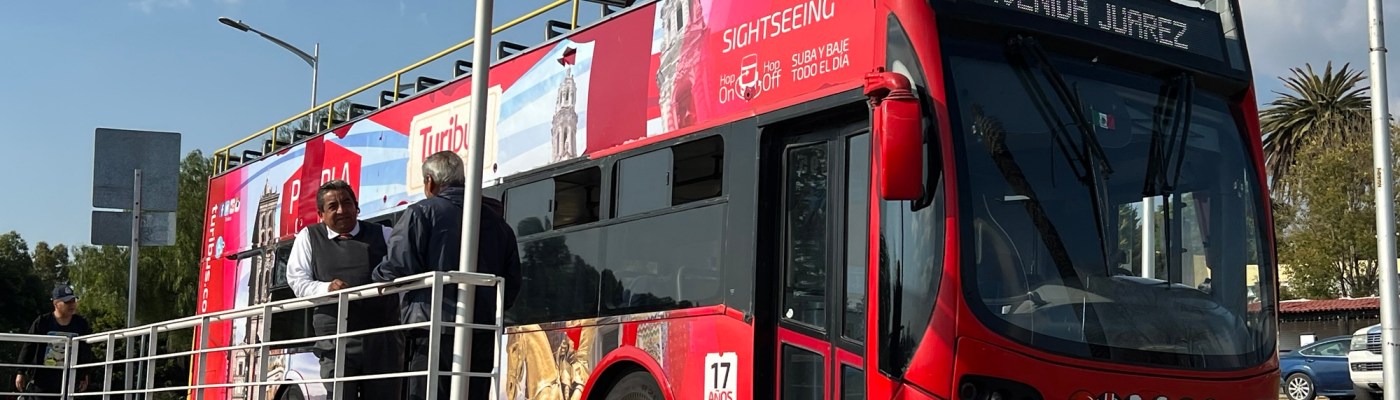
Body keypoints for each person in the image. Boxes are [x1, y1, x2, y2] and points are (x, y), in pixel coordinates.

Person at [373, 151, 521, 400]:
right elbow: (512, 282)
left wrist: (375, 275)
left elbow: (399, 264)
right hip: (482, 328)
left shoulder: (421, 212)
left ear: (429, 181)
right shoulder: (498, 223)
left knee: (428, 393)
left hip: (432, 327)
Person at [286, 180, 403, 400]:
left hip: (382, 338)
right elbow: (297, 280)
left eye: (347, 203)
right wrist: (326, 288)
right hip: (335, 339)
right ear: (320, 214)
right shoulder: (309, 237)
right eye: (333, 206)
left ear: (356, 207)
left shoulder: (385, 234)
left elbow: (404, 269)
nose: (342, 210)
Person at [14, 284, 96, 397]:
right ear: (56, 303)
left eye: (73, 301)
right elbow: (29, 347)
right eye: (67, 302)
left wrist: (84, 374)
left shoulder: (81, 324)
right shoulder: (42, 322)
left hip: (70, 378)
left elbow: (85, 351)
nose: (72, 305)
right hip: (43, 380)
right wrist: (20, 372)